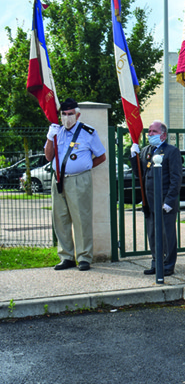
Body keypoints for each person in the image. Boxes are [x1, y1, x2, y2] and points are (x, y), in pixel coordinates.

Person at [44, 98, 106, 271]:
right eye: (63, 114)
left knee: (81, 219)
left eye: (70, 114)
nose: (67, 117)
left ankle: (84, 257)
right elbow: (48, 157)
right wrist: (50, 137)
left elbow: (101, 156)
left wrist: (85, 168)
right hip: (58, 179)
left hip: (79, 179)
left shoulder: (88, 132)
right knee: (60, 218)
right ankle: (66, 257)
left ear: (77, 115)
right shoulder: (57, 132)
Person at [130, 121, 183, 276]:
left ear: (163, 135)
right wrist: (134, 156)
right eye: (149, 131)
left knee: (167, 234)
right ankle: (156, 262)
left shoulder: (171, 151)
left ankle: (168, 265)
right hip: (150, 200)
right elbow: (139, 174)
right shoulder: (147, 150)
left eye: (153, 131)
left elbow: (176, 178)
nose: (150, 134)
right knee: (153, 233)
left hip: (165, 200)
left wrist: (170, 200)